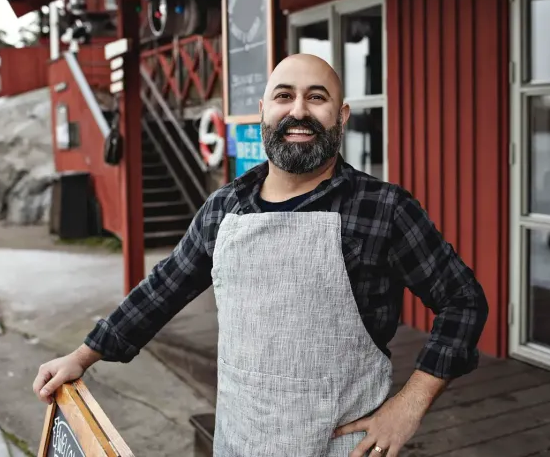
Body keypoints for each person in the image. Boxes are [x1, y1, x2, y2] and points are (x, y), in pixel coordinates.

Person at [33, 53, 489, 457]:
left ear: (341, 115)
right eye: (284, 96)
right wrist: (83, 354)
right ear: (263, 112)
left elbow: (463, 301)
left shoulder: (383, 208)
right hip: (240, 441)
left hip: (343, 445)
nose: (298, 110)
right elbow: (163, 288)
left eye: (317, 98)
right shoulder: (223, 208)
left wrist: (408, 407)